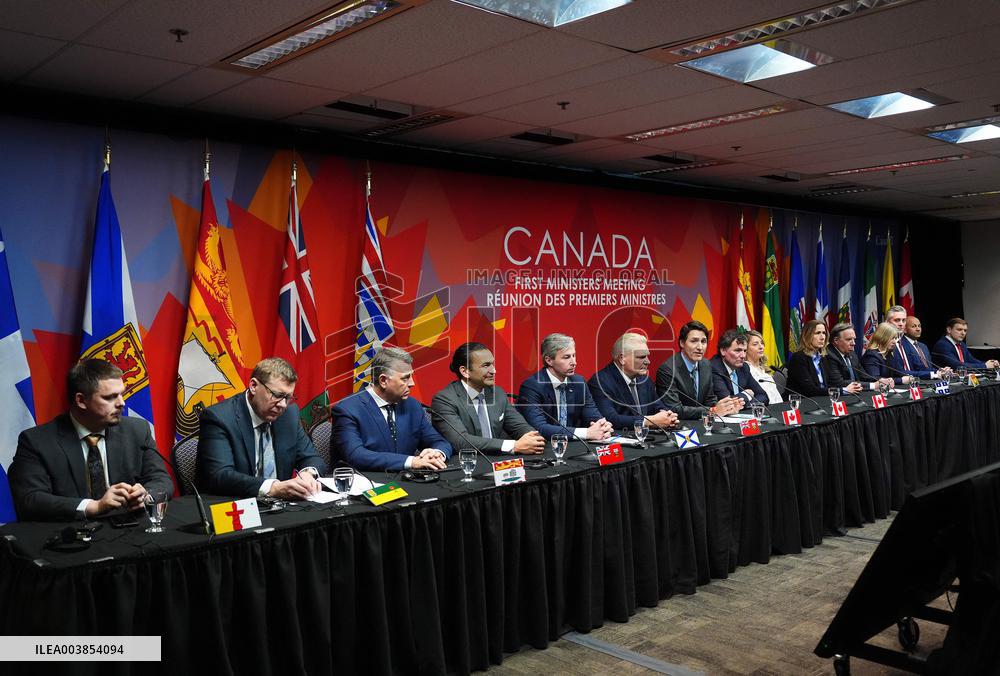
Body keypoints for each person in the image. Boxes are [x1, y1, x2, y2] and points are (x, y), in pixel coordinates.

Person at [8, 359, 171, 521]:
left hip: (128, 530)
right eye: (110, 397)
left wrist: (145, 495)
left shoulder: (137, 430)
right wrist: (94, 506)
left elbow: (161, 480)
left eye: (121, 394)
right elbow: (30, 500)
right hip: (71, 535)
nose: (121, 403)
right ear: (81, 400)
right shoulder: (36, 441)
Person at [198, 357, 326, 499]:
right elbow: (220, 476)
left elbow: (312, 458)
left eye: (288, 397)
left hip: (281, 509)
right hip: (236, 505)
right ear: (253, 386)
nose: (283, 404)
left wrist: (308, 474)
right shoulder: (219, 418)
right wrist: (273, 487)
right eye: (277, 395)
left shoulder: (289, 414)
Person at [332, 347, 453, 471]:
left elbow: (439, 442)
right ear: (383, 380)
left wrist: (437, 453)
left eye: (411, 376)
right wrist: (411, 461)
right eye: (405, 378)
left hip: (409, 482)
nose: (412, 383)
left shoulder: (413, 406)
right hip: (366, 483)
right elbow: (356, 456)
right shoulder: (347, 410)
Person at [430, 342, 544, 455]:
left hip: (499, 463)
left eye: (493, 364)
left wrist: (532, 439)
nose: (494, 370)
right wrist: (513, 446)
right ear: (465, 371)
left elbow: (519, 426)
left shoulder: (497, 393)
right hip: (468, 464)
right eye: (486, 365)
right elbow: (461, 442)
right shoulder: (445, 399)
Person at [518, 333, 613, 441]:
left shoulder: (579, 382)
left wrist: (603, 426)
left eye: (574, 355)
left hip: (573, 446)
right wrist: (586, 433)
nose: (574, 362)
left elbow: (593, 415)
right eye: (566, 357)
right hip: (546, 447)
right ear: (549, 360)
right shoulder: (532, 386)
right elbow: (539, 428)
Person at [588, 332, 679, 431]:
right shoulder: (600, 382)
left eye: (647, 356)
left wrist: (669, 416)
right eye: (641, 357)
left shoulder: (644, 379)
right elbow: (610, 419)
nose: (648, 361)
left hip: (648, 440)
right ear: (622, 359)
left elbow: (658, 406)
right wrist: (647, 421)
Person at [655, 320, 742, 420]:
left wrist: (726, 408)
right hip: (680, 426)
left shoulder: (706, 364)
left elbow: (710, 398)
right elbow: (674, 409)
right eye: (694, 341)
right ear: (682, 343)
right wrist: (712, 411)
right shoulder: (668, 369)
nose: (700, 347)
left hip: (703, 423)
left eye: (703, 341)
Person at [785, 320, 847, 398]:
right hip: (802, 403)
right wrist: (844, 390)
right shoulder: (798, 358)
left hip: (821, 400)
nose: (822, 337)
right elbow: (810, 390)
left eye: (824, 333)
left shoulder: (823, 358)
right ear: (807, 335)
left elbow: (831, 383)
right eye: (818, 333)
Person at [825, 322, 892, 392]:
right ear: (836, 340)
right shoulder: (829, 355)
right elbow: (839, 383)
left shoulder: (852, 354)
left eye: (854, 339)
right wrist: (873, 385)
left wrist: (881, 380)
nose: (853, 343)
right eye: (848, 339)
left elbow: (863, 376)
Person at [710, 330, 769, 406]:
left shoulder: (744, 367)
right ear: (723, 351)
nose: (743, 356)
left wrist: (748, 404)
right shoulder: (714, 368)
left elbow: (763, 396)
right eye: (738, 350)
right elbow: (728, 403)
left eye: (745, 351)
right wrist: (746, 395)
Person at [932, 318, 1000, 370]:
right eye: (959, 329)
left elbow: (972, 360)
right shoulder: (942, 345)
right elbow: (957, 365)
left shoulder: (961, 344)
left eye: (965, 330)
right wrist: (985, 366)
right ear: (949, 330)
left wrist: (990, 363)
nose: (963, 333)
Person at [743, 330, 783, 405]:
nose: (761, 347)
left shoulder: (763, 369)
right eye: (755, 344)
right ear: (746, 349)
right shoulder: (744, 370)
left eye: (762, 343)